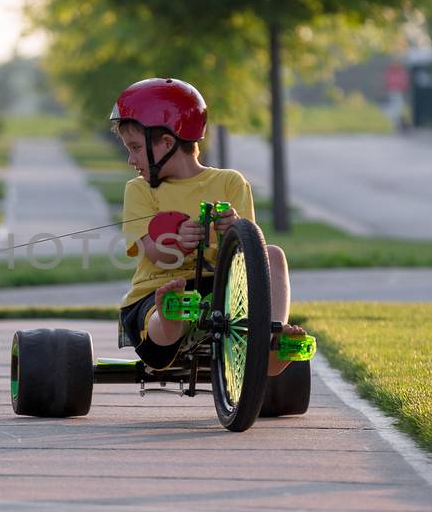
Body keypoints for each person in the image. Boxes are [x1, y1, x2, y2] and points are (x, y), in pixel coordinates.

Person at [110, 77, 306, 374]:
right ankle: (170, 318)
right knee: (165, 308)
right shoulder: (139, 190)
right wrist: (176, 242)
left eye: (135, 147)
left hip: (220, 293)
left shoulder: (229, 182)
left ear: (166, 142)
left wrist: (233, 229)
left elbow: (250, 256)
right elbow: (153, 252)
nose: (130, 158)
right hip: (156, 291)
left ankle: (267, 339)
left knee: (274, 254)